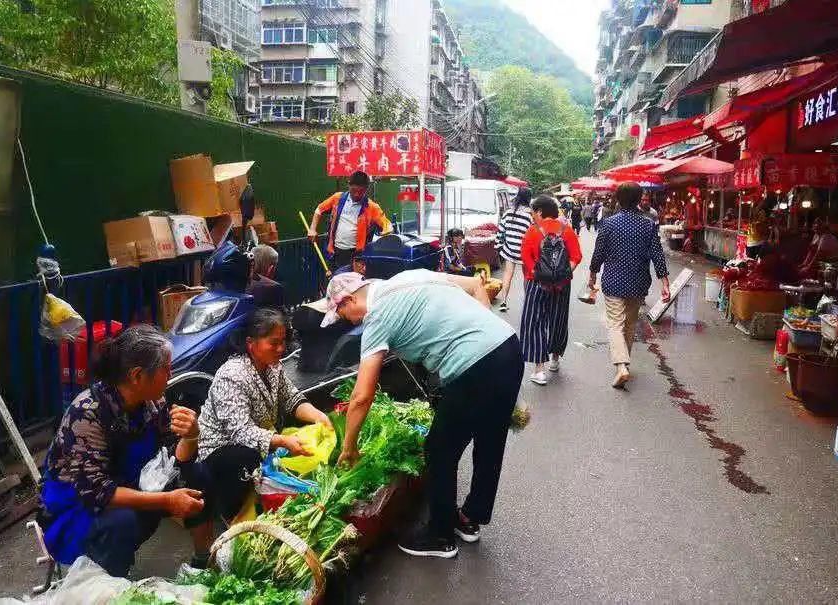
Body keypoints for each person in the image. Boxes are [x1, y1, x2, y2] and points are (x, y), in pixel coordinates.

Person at [324, 270, 522, 559]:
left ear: (350, 300)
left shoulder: (377, 317)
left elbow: (362, 395)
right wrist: (482, 332)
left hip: (473, 366)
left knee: (440, 449)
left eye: (343, 315)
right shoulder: (409, 276)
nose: (349, 322)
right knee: (490, 442)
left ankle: (439, 535)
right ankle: (469, 518)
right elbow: (476, 284)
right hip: (506, 346)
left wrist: (349, 446)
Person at [38, 325, 213, 576]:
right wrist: (167, 500)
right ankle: (111, 587)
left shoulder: (153, 402)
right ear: (137, 376)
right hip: (76, 507)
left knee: (198, 475)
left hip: (130, 484)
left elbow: (172, 458)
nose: (170, 373)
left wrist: (192, 436)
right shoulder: (88, 412)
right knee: (123, 522)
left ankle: (203, 561)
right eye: (165, 368)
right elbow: (97, 493)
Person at [197, 308, 331, 521]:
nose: (281, 349)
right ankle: (231, 512)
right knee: (246, 457)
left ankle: (262, 494)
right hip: (221, 448)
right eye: (274, 343)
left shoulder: (272, 366)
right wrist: (283, 441)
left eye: (283, 341)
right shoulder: (232, 376)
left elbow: (291, 398)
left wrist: (318, 416)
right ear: (251, 343)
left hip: (258, 438)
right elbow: (240, 432)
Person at [589, 183, 671, 389]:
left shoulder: (608, 224)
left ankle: (621, 366)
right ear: (638, 200)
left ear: (618, 199)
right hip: (638, 281)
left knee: (615, 323)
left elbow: (598, 253)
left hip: (613, 281)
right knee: (630, 323)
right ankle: (624, 363)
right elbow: (657, 254)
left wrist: (592, 275)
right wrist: (665, 282)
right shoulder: (648, 224)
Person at [519, 195, 582, 385]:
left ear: (539, 212)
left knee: (535, 322)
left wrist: (539, 274)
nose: (531, 216)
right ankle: (555, 359)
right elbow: (576, 257)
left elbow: (527, 259)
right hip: (561, 285)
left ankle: (539, 371)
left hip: (536, 283)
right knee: (558, 320)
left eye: (532, 212)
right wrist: (561, 275)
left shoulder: (532, 232)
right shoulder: (567, 230)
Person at [307, 171, 392, 270]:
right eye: (353, 190)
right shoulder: (338, 198)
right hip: (334, 253)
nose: (356, 194)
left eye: (361, 192)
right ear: (348, 185)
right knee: (334, 281)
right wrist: (312, 229)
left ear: (366, 189)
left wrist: (387, 231)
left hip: (356, 257)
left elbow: (386, 224)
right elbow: (319, 209)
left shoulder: (372, 207)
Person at [496, 187, 533, 312]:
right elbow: (532, 233)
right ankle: (528, 302)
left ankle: (503, 301)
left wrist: (498, 245)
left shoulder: (508, 212)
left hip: (509, 249)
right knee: (526, 276)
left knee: (507, 274)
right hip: (524, 250)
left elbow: (501, 230)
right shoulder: (530, 215)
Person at [247, 244, 285, 308]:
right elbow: (277, 314)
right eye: (274, 264)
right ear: (269, 266)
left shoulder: (237, 279)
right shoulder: (273, 287)